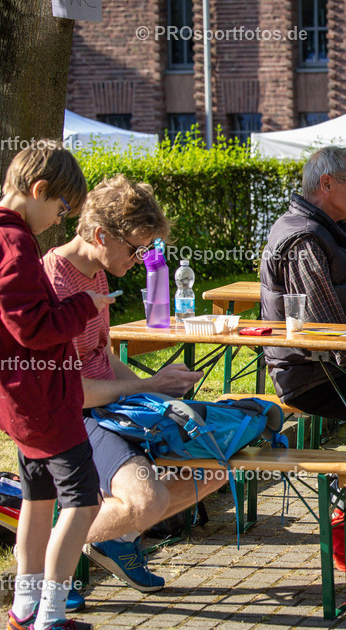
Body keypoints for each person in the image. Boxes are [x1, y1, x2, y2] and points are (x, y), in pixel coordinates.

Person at [0, 142, 112, 630]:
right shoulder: (13, 243)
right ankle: (50, 624)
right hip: (42, 397)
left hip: (16, 396)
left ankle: (23, 613)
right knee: (83, 502)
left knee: (38, 502)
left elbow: (13, 315)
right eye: (61, 210)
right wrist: (84, 305)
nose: (59, 222)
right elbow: (33, 328)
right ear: (41, 191)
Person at [42, 175, 228, 593]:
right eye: (136, 249)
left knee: (215, 464)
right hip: (74, 416)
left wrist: (155, 389)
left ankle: (118, 539)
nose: (144, 260)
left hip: (108, 409)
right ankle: (47, 566)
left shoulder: (95, 273)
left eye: (149, 249)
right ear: (101, 235)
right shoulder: (56, 284)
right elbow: (74, 390)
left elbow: (101, 357)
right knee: (148, 499)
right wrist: (148, 386)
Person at [259, 146, 346, 422]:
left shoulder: (319, 230)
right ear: (327, 183)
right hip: (315, 377)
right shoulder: (305, 238)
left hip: (328, 369)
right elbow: (326, 330)